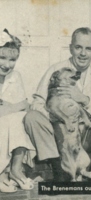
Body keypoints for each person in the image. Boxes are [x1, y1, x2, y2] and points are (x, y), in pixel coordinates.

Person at [24, 27, 91, 181]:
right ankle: (59, 169)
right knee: (31, 117)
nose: (83, 53)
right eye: (78, 47)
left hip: (87, 134)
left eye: (88, 48)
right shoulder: (56, 70)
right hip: (60, 135)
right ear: (70, 48)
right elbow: (37, 102)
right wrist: (57, 117)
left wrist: (84, 99)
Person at [0, 29, 35, 192]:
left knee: (18, 118)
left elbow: (24, 104)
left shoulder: (15, 76)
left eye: (12, 59)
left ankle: (14, 169)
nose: (7, 64)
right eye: (2, 57)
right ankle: (2, 173)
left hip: (6, 119)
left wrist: (8, 107)